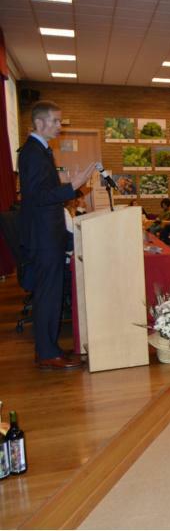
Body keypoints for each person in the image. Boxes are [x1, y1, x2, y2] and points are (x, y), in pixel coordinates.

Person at [18, 100, 92, 369]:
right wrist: (72, 185)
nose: (60, 126)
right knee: (48, 294)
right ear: (40, 123)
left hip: (49, 234)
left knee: (52, 292)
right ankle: (48, 353)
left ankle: (51, 348)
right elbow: (37, 196)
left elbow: (44, 190)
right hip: (44, 237)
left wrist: (70, 187)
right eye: (56, 121)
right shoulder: (33, 153)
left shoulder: (41, 150)